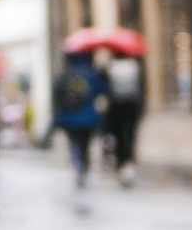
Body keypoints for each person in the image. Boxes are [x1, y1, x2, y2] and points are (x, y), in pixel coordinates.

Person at [52, 49, 108, 186]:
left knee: (74, 142)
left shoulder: (65, 74)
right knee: (85, 144)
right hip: (87, 117)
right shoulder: (90, 73)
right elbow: (101, 90)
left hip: (69, 117)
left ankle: (77, 163)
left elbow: (57, 95)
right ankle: (83, 166)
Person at [101, 45, 146, 185]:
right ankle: (129, 164)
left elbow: (106, 90)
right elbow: (141, 88)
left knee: (119, 137)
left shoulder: (110, 67)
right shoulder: (134, 66)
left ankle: (121, 165)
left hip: (115, 109)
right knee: (130, 137)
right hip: (132, 108)